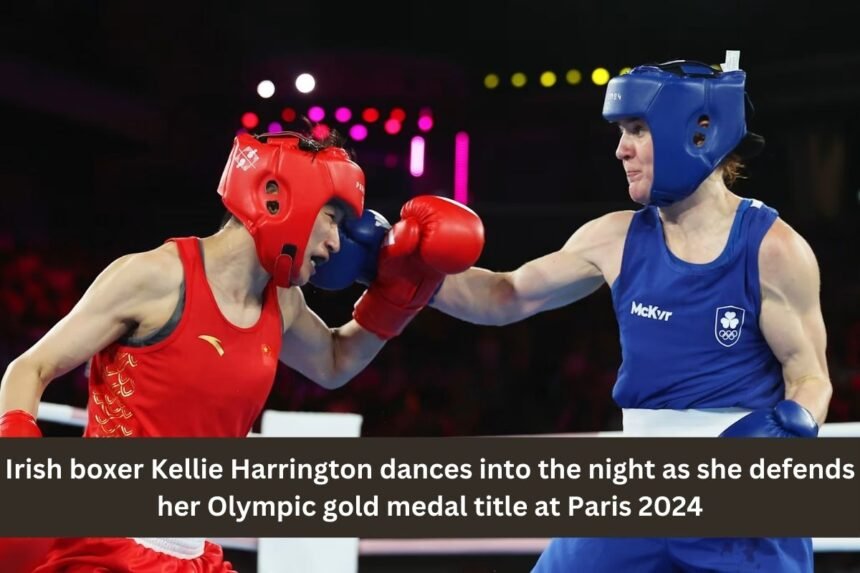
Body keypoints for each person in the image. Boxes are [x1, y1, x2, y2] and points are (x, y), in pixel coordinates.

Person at [320, 55, 832, 572]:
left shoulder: (773, 248)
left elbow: (811, 376)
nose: (621, 149)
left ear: (697, 132)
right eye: (621, 130)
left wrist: (788, 429)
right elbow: (505, 296)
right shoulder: (615, 237)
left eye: (637, 129)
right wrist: (390, 263)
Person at [0, 130, 485, 572]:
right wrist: (18, 466)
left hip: (192, 554)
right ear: (279, 198)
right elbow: (30, 367)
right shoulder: (155, 276)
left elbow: (335, 364)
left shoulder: (283, 303)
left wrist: (397, 299)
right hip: (103, 547)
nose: (337, 243)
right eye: (332, 219)